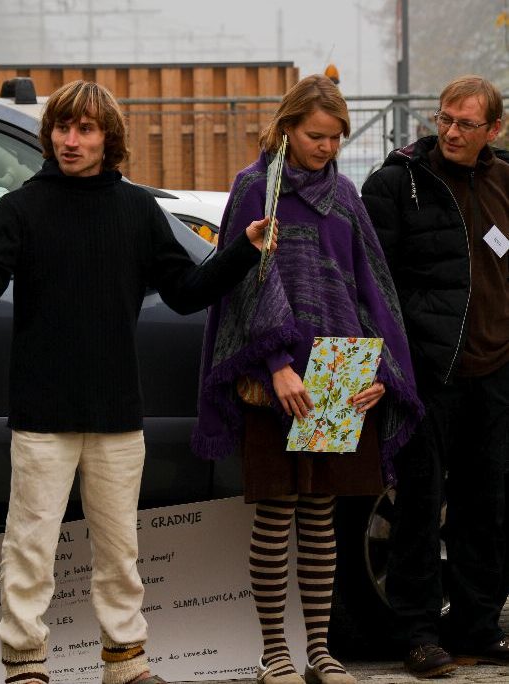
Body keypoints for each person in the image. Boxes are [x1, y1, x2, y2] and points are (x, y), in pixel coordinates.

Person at [0, 80, 274, 684]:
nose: (71, 140)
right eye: (63, 128)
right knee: (30, 546)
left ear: (107, 139)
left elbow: (186, 291)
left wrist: (243, 250)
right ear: (50, 136)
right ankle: (25, 663)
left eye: (85, 129)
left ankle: (126, 661)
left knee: (120, 549)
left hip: (116, 410)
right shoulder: (20, 208)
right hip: (42, 411)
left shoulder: (137, 210)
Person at [192, 74, 423, 684]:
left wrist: (379, 370)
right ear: (287, 127)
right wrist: (276, 366)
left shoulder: (344, 194)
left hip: (338, 373)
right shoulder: (254, 189)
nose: (326, 146)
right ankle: (275, 654)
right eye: (316, 135)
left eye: (335, 137)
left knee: (321, 517)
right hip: (276, 379)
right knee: (276, 515)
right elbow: (241, 285)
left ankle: (319, 652)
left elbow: (370, 286)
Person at [362, 74, 509, 678]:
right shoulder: (398, 183)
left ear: (493, 129)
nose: (450, 132)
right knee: (419, 507)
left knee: (487, 505)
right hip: (425, 372)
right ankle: (418, 635)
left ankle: (478, 626)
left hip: (495, 373)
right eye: (444, 118)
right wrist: (390, 362)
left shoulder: (505, 181)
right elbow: (372, 282)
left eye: (465, 124)